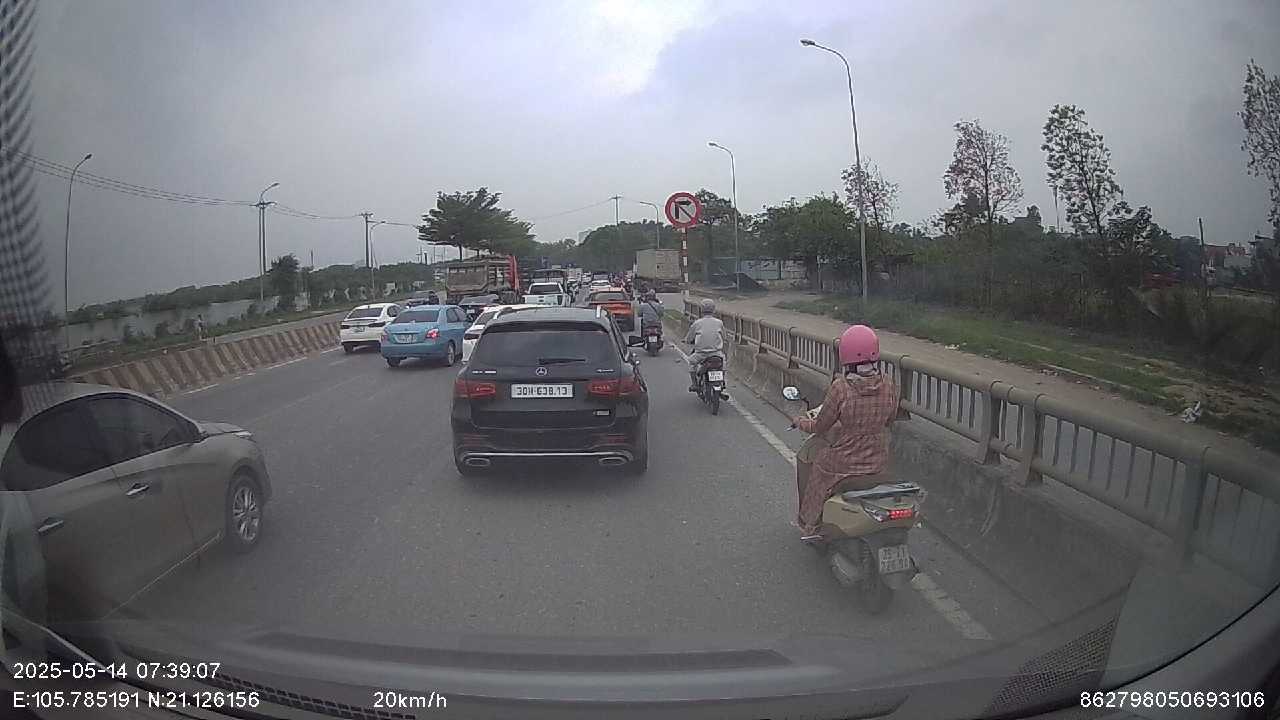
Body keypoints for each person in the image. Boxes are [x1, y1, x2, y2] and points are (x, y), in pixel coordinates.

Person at [791, 325, 899, 540]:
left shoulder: (841, 387)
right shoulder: (888, 384)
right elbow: (890, 419)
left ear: (845, 355)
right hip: (877, 458)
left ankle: (811, 524)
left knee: (817, 466)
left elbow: (820, 426)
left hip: (845, 462)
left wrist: (800, 422)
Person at [684, 298, 724, 392]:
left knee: (692, 363)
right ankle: (722, 382)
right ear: (713, 309)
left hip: (701, 354)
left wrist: (686, 340)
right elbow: (724, 336)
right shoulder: (719, 322)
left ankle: (694, 384)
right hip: (716, 353)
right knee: (723, 365)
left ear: (701, 309)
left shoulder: (697, 323)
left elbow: (689, 338)